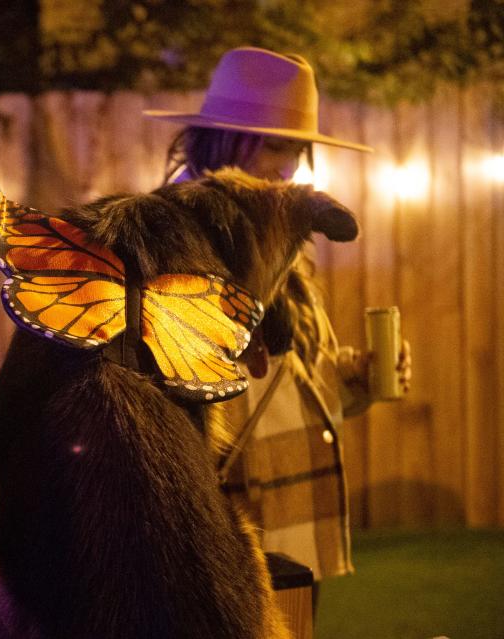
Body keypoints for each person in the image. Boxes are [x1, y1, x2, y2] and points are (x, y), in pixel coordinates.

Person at [145, 47, 411, 611]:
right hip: (210, 520)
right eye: (273, 143)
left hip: (290, 508)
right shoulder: (166, 236)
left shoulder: (281, 237)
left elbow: (293, 382)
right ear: (221, 142)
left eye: (296, 148)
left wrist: (356, 377)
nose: (287, 166)